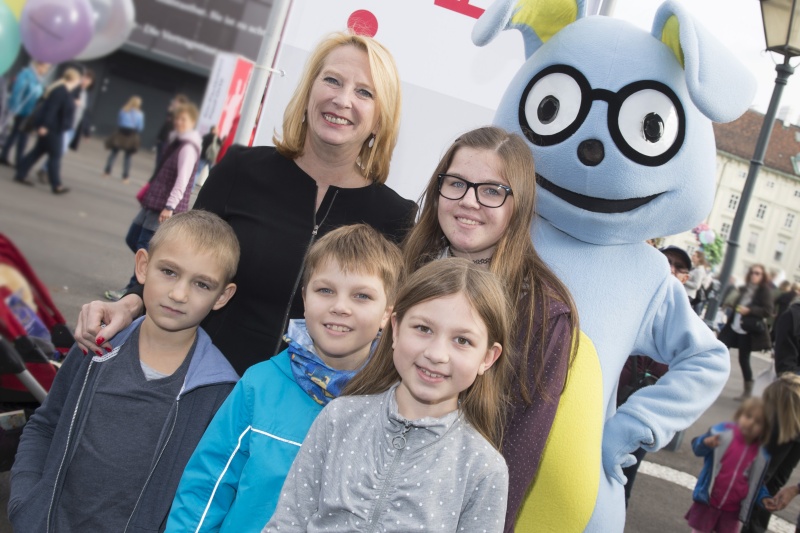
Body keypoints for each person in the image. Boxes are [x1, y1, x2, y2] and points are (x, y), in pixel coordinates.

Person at [73, 31, 417, 375]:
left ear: (379, 118)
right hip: (205, 384)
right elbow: (179, 259)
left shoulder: (395, 217)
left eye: (364, 92)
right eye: (332, 80)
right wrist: (131, 302)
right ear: (309, 90)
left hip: (311, 408)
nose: (343, 100)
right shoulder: (241, 169)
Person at [8, 210, 240, 532]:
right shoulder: (96, 345)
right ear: (143, 265)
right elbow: (46, 425)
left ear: (222, 296)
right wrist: (26, 504)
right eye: (169, 272)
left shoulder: (221, 391)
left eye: (201, 284)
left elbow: (206, 491)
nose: (179, 294)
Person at [165, 224, 402, 531]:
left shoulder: (394, 403)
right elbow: (207, 486)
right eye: (325, 290)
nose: (340, 307)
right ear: (305, 297)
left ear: (387, 314)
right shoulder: (259, 384)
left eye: (362, 296)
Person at [399, 126, 578, 529]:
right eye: (457, 183)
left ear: (520, 203)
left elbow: (516, 453)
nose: (468, 202)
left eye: (492, 190)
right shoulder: (403, 268)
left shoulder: (542, 312)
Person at [264, 258, 511, 531]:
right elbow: (288, 522)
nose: (436, 354)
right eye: (423, 329)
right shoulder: (340, 417)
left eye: (462, 340)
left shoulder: (484, 468)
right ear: (395, 328)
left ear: (488, 357)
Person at [617, 244, 692, 505]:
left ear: (686, 278)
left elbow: (689, 374)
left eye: (678, 266)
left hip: (641, 416)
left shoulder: (687, 321)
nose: (671, 268)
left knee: (621, 481)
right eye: (666, 260)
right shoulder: (630, 295)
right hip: (606, 399)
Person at [104, 102, 201, 302]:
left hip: (164, 207)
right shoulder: (177, 142)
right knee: (133, 239)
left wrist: (170, 207)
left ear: (192, 122)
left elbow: (182, 181)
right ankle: (156, 275)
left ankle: (133, 291)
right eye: (177, 118)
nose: (179, 122)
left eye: (184, 119)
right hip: (153, 202)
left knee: (145, 248)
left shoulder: (188, 148)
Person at [685, 397, 770, 533]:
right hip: (708, 502)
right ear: (739, 415)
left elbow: (757, 482)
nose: (751, 423)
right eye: (748, 416)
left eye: (758, 422)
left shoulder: (760, 454)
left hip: (733, 510)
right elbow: (697, 449)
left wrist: (764, 497)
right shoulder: (722, 435)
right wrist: (706, 442)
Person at [742, 374, 800, 533]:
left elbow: (760, 474)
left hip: (745, 496)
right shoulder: (793, 429)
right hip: (764, 494)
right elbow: (779, 476)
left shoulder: (778, 430)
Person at [12, 68, 80, 194]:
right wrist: (45, 126)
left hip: (53, 127)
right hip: (52, 128)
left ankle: (20, 172)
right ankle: (56, 184)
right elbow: (51, 110)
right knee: (55, 156)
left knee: (37, 151)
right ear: (74, 79)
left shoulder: (63, 91)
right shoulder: (61, 92)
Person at [718, 264, 775, 399]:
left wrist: (750, 310)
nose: (754, 275)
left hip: (747, 329)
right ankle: (707, 379)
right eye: (752, 272)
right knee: (719, 350)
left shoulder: (764, 291)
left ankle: (748, 390)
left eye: (757, 273)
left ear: (763, 276)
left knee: (744, 359)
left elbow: (768, 311)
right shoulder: (745, 288)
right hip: (734, 325)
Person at [36, 68, 95, 182]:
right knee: (59, 150)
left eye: (89, 79)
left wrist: (87, 131)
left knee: (59, 150)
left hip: (74, 126)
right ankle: (45, 171)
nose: (85, 81)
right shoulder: (74, 89)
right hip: (64, 125)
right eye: (84, 78)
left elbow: (86, 114)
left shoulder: (87, 95)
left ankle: (44, 170)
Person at [0, 60, 50, 166]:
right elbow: (17, 91)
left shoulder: (38, 78)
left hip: (29, 110)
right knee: (23, 136)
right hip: (22, 110)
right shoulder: (27, 74)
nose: (46, 71)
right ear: (39, 65)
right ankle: (19, 161)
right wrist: (15, 107)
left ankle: (5, 155)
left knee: (16, 134)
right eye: (46, 67)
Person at [103, 95, 145, 183]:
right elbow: (140, 127)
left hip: (120, 134)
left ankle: (107, 172)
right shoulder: (140, 114)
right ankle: (125, 177)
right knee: (128, 157)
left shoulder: (123, 110)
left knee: (113, 153)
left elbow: (119, 121)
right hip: (131, 136)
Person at [155, 93, 188, 168]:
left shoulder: (179, 115)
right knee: (158, 162)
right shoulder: (171, 113)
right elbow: (165, 126)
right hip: (162, 139)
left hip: (168, 141)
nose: (174, 103)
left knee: (162, 163)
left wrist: (171, 112)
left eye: (176, 102)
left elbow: (174, 128)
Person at [686, 250, 711, 314]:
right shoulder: (695, 268)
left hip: (689, 295)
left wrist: (684, 280)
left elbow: (696, 285)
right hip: (687, 293)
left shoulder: (699, 270)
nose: (692, 256)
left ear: (699, 258)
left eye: (694, 256)